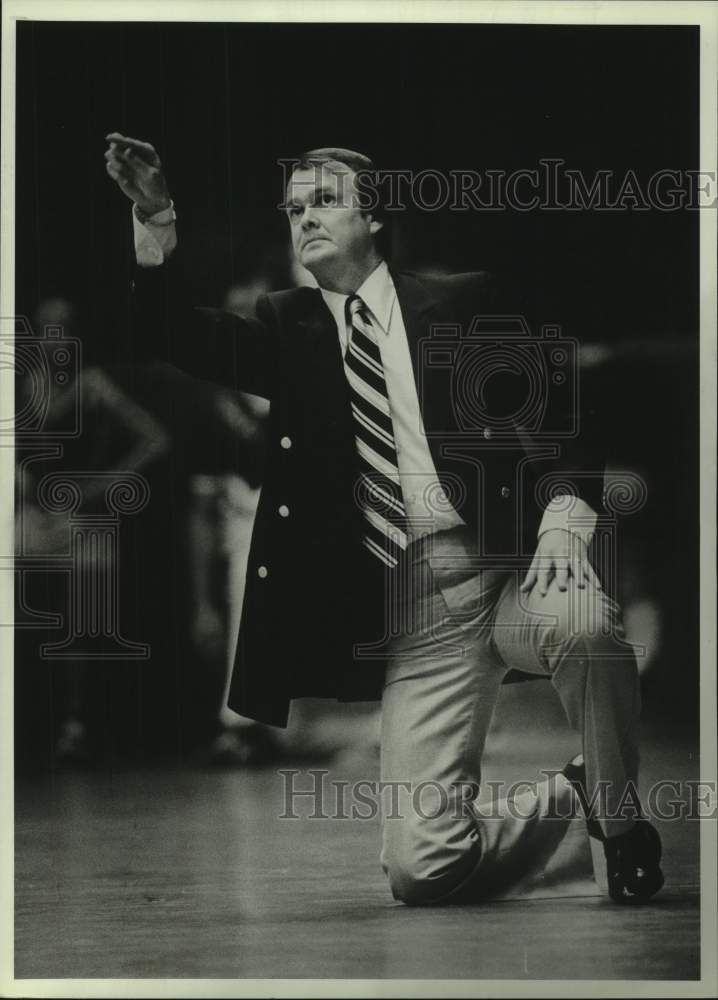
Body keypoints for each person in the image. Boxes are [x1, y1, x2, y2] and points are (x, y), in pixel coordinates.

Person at [104, 133, 664, 905]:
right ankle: (578, 798)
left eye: (325, 201)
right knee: (424, 871)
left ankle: (622, 816)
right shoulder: (286, 327)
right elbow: (166, 333)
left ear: (377, 217)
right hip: (414, 622)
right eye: (294, 208)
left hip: (507, 575)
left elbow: (567, 403)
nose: (304, 218)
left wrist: (566, 518)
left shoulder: (463, 302)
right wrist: (155, 216)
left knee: (588, 629)